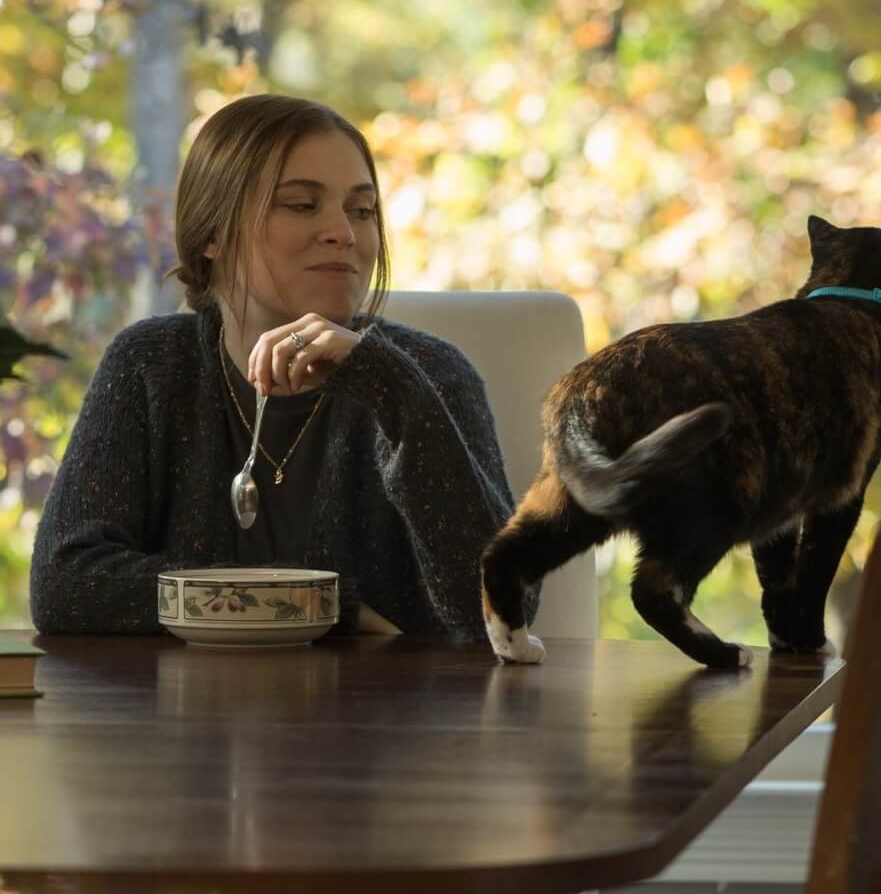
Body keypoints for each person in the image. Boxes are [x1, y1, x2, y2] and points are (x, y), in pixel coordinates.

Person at [29, 93, 516, 638]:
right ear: (213, 233)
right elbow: (65, 583)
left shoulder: (429, 374)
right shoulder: (149, 365)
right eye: (303, 205)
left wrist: (393, 390)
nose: (343, 232)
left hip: (386, 696)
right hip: (192, 695)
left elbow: (502, 606)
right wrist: (324, 606)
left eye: (361, 210)